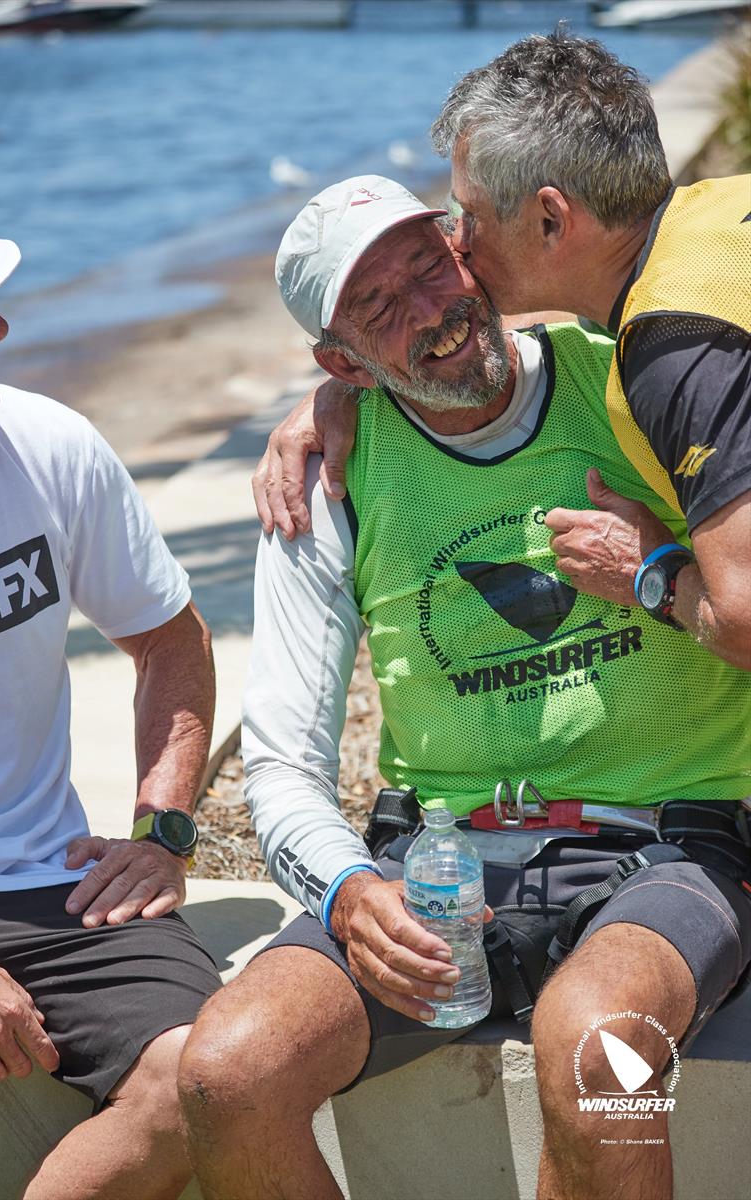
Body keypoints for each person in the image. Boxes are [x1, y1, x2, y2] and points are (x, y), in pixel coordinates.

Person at [177, 177, 751, 1200]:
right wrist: (353, 894)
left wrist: (657, 568)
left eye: (423, 266)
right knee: (229, 1073)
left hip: (670, 845)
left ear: (465, 249)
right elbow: (279, 761)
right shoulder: (330, 477)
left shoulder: (632, 386)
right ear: (340, 363)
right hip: (431, 865)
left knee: (599, 1056)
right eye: (377, 309)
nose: (427, 311)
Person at [253, 30, 751, 672]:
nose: (458, 241)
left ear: (550, 219)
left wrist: (653, 571)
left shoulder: (674, 350)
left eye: (470, 214)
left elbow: (741, 618)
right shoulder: (719, 214)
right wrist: (345, 389)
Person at [0, 206, 221, 1200]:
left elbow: (171, 643)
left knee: (211, 1077)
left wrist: (166, 827)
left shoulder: (49, 447)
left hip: (43, 883)